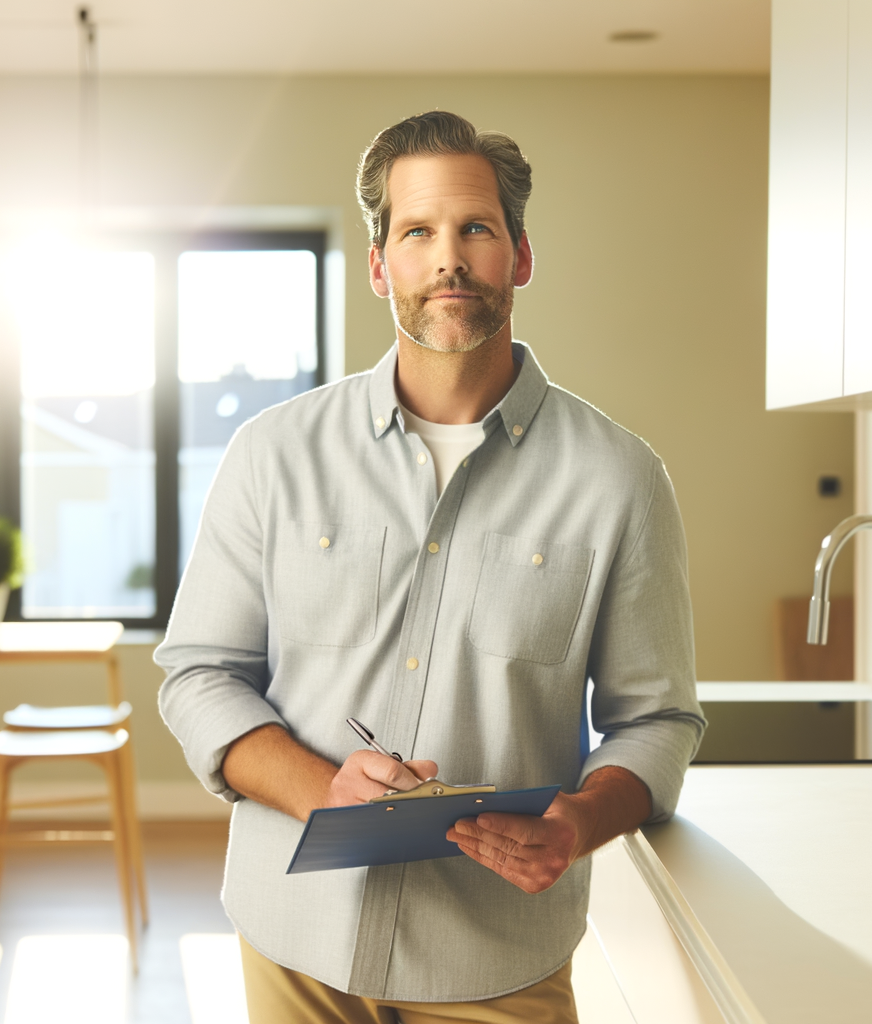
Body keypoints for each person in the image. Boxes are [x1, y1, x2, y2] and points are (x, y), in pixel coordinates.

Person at [156, 110, 703, 1024]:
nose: (448, 258)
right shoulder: (273, 454)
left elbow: (659, 721)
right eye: (417, 232)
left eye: (476, 229)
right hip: (294, 942)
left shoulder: (620, 478)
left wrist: (578, 824)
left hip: (497, 961)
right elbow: (199, 673)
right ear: (380, 266)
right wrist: (322, 791)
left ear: (520, 257)